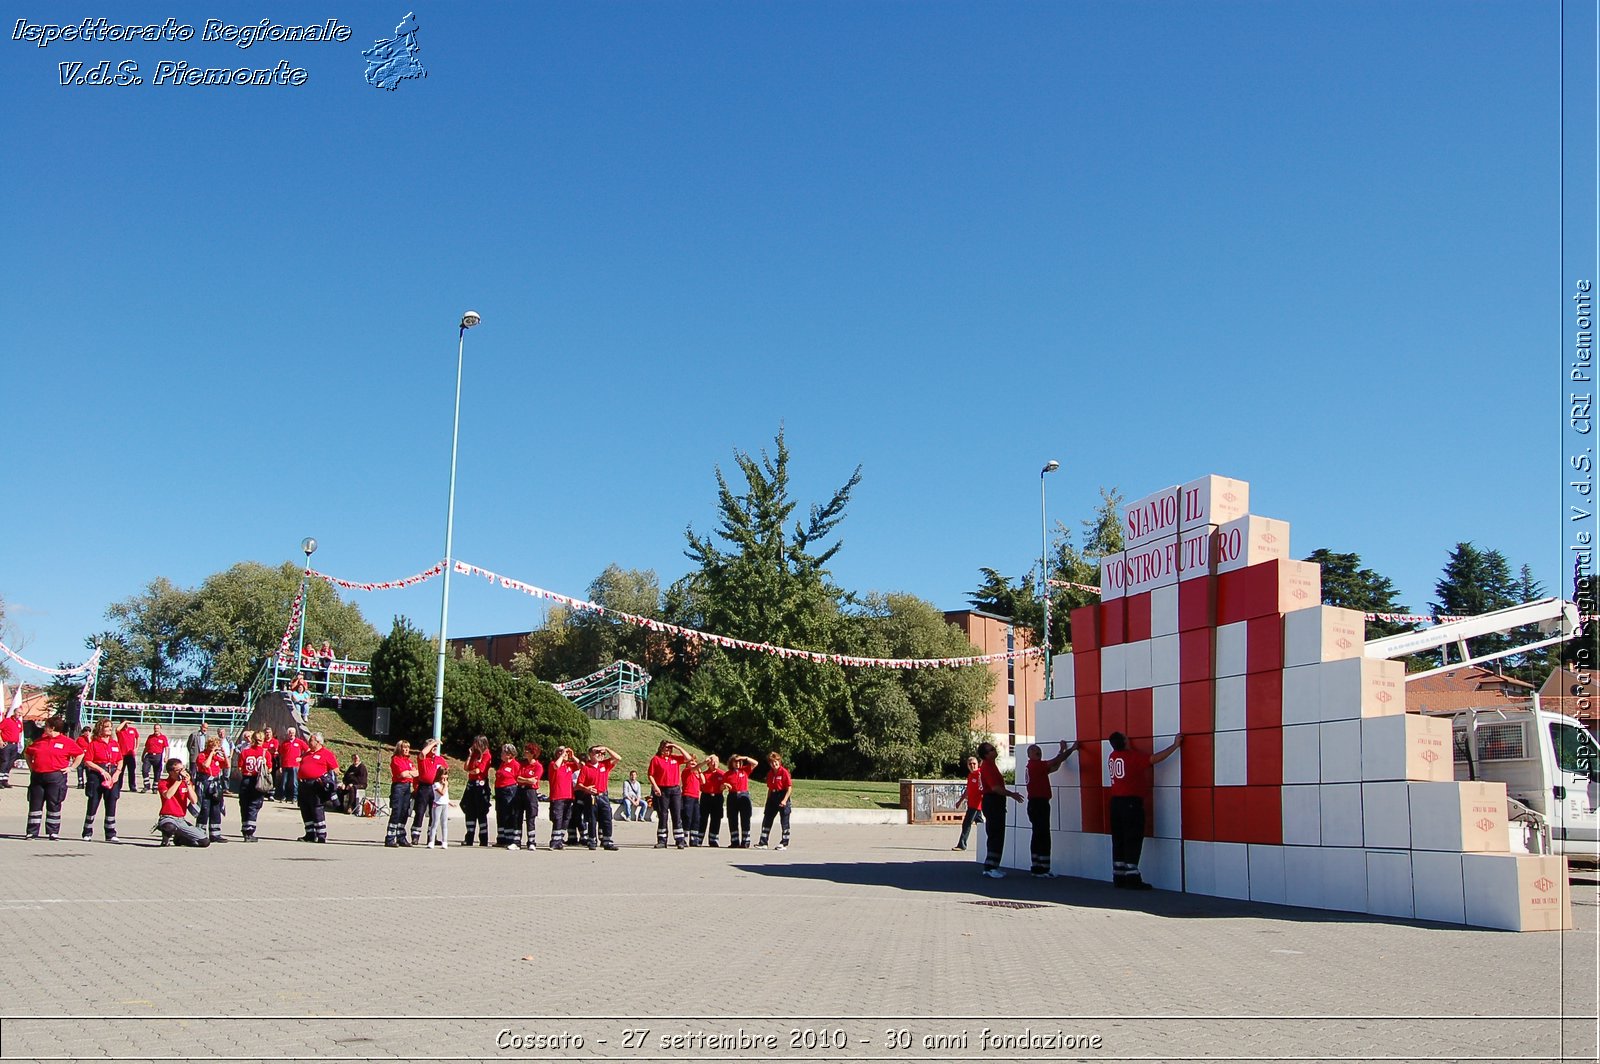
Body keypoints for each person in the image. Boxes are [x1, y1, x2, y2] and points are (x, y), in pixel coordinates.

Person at [1107, 731, 1183, 890]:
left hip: (1115, 803)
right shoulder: (1132, 757)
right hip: (1130, 803)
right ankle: (1132, 876)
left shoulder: (1113, 756)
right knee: (1133, 838)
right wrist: (1175, 746)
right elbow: (1154, 759)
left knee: (1119, 839)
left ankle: (1118, 876)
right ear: (1125, 742)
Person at [24, 716, 80, 839]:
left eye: (46, 725)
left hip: (56, 777)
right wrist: (31, 767)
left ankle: (52, 832)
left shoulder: (66, 741)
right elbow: (28, 753)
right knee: (35, 804)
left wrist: (71, 767)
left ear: (52, 728)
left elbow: (80, 754)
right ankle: (32, 832)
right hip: (38, 776)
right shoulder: (40, 741)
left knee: (54, 804)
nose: (44, 727)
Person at [977, 741, 1023, 879]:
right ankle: (990, 867)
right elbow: (995, 788)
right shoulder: (987, 767)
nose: (994, 750)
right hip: (992, 801)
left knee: (998, 833)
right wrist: (1012, 794)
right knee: (995, 833)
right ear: (985, 754)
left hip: (995, 802)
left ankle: (994, 865)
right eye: (991, 749)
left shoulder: (992, 765)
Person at [80, 719, 125, 842]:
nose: (110, 729)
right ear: (100, 728)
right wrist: (102, 771)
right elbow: (88, 761)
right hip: (97, 775)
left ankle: (110, 833)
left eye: (111, 727)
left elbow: (120, 759)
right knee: (93, 802)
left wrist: (118, 772)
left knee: (111, 802)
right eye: (106, 727)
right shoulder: (94, 744)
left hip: (113, 774)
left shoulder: (114, 744)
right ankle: (87, 831)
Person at [295, 732, 339, 843]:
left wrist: (327, 780)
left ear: (318, 742)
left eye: (311, 740)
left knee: (316, 810)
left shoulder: (326, 754)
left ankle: (321, 835)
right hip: (304, 785)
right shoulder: (307, 753)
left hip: (316, 786)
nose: (309, 742)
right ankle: (309, 834)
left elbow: (335, 770)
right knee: (305, 809)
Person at [647, 740, 691, 849]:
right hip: (662, 790)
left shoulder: (675, 758)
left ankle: (680, 840)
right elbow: (650, 775)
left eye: (670, 749)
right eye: (666, 748)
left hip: (675, 790)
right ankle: (662, 840)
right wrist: (655, 786)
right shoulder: (656, 760)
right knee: (663, 815)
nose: (668, 751)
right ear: (661, 748)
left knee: (676, 815)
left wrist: (677, 746)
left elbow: (688, 758)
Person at [576, 746, 621, 851]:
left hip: (603, 796)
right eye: (597, 752)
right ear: (591, 754)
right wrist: (586, 788)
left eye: (602, 753)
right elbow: (579, 784)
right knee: (592, 820)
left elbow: (618, 758)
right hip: (591, 797)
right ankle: (592, 840)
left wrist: (607, 748)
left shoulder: (604, 765)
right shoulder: (586, 768)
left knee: (607, 819)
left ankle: (607, 841)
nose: (600, 755)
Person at [155, 758, 207, 847]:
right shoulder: (163, 782)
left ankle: (180, 838)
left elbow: (194, 800)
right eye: (178, 770)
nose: (181, 772)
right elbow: (168, 795)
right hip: (168, 817)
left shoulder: (185, 783)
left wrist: (188, 784)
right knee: (169, 827)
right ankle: (165, 840)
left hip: (181, 819)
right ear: (171, 772)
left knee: (204, 842)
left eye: (182, 769)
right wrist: (178, 781)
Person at [193, 735, 230, 844]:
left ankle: (215, 834)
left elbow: (227, 765)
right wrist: (211, 753)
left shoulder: (217, 757)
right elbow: (205, 765)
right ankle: (200, 833)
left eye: (217, 745)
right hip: (204, 784)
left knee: (215, 809)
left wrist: (223, 752)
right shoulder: (202, 755)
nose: (215, 747)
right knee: (204, 809)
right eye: (213, 745)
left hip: (215, 785)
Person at [755, 751, 794, 850]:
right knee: (767, 819)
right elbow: (769, 788)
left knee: (784, 821)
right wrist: (768, 800)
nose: (774, 764)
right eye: (772, 762)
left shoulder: (784, 772)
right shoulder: (770, 774)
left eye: (776, 762)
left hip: (782, 795)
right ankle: (763, 842)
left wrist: (784, 800)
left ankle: (784, 843)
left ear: (779, 761)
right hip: (773, 796)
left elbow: (789, 787)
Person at [236, 730, 271, 841]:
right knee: (254, 805)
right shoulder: (266, 753)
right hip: (257, 780)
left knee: (244, 805)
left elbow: (240, 768)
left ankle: (244, 828)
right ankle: (249, 831)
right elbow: (269, 769)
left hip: (246, 779)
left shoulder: (245, 752)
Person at [410, 737, 444, 846]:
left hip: (435, 787)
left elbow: (445, 771)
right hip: (424, 788)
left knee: (434, 814)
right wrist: (433, 742)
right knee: (420, 812)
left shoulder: (439, 759)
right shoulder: (423, 758)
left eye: (436, 747)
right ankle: (415, 835)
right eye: (432, 746)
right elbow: (423, 753)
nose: (434, 748)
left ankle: (432, 837)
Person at [460, 736, 492, 845]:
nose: (474, 745)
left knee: (481, 811)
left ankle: (483, 838)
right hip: (471, 785)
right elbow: (466, 768)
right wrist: (469, 755)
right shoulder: (474, 754)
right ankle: (469, 837)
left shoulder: (486, 755)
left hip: (481, 786)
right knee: (469, 810)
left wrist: (471, 771)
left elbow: (479, 770)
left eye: (476, 743)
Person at [545, 747, 578, 850]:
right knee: (557, 818)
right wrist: (562, 755)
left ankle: (560, 839)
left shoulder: (569, 766)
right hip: (558, 796)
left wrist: (573, 756)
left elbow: (581, 765)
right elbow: (556, 766)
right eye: (561, 752)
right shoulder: (553, 764)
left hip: (569, 796)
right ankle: (554, 841)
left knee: (566, 819)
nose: (565, 754)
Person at [386, 740, 418, 847]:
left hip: (407, 787)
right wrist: (409, 773)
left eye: (408, 748)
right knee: (397, 811)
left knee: (405, 811)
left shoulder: (409, 761)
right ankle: (390, 837)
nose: (406, 750)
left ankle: (401, 836)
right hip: (398, 787)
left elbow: (417, 772)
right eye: (404, 747)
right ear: (399, 748)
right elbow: (402, 774)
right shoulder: (396, 759)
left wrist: (409, 773)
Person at [493, 744, 523, 849]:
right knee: (500, 813)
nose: (501, 754)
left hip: (509, 790)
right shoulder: (503, 764)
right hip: (499, 790)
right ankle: (501, 838)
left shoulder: (515, 764)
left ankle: (509, 839)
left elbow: (517, 778)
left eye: (503, 752)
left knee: (508, 814)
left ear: (509, 755)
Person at [952, 755, 985, 851]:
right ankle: (988, 842)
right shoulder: (970, 776)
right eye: (970, 764)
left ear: (977, 764)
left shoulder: (980, 774)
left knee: (966, 823)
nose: (972, 765)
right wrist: (960, 801)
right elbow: (968, 790)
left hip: (976, 804)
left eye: (974, 763)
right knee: (981, 824)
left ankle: (962, 845)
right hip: (971, 803)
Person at [724, 754, 757, 848]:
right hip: (732, 796)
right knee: (732, 819)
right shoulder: (728, 774)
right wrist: (725, 785)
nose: (737, 763)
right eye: (735, 761)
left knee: (745, 818)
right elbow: (722, 786)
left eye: (739, 762)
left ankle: (745, 841)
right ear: (732, 763)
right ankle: (734, 841)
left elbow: (755, 763)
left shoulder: (745, 770)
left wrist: (744, 758)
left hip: (743, 795)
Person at [516, 742, 544, 850]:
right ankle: (517, 841)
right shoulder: (522, 764)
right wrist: (526, 780)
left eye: (527, 750)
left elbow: (533, 781)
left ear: (533, 753)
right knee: (518, 815)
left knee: (530, 817)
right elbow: (517, 777)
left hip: (531, 792)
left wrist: (524, 780)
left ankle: (531, 841)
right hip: (520, 791)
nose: (525, 752)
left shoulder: (538, 766)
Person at [697, 755, 724, 846]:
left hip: (717, 797)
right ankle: (699, 838)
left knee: (716, 818)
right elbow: (701, 786)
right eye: (713, 762)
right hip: (706, 797)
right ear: (708, 764)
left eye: (717, 761)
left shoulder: (722, 774)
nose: (715, 764)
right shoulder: (704, 774)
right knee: (703, 818)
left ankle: (713, 839)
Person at [278, 726, 307, 803]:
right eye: (290, 733)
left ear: (295, 733)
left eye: (293, 733)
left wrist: (301, 758)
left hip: (295, 765)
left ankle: (295, 797)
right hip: (285, 765)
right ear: (288, 734)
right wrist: (280, 766)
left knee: (294, 782)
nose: (291, 734)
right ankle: (283, 796)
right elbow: (280, 754)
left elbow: (307, 750)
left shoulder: (299, 742)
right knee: (284, 782)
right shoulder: (284, 743)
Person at [681, 757, 704, 847]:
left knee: (696, 818)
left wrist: (700, 771)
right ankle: (684, 838)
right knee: (687, 817)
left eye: (695, 762)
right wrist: (704, 762)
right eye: (691, 762)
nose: (693, 764)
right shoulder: (686, 771)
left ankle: (694, 839)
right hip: (687, 796)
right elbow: (693, 769)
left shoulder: (696, 774)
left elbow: (703, 781)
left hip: (695, 797)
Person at [427, 765, 450, 849]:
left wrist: (449, 802)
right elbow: (442, 793)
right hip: (437, 805)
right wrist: (445, 785)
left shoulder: (445, 784)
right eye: (443, 774)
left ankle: (444, 841)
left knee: (444, 824)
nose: (445, 777)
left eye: (446, 775)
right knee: (434, 823)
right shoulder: (436, 784)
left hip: (445, 804)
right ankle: (431, 841)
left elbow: (446, 796)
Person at [0, 698, 22, 788]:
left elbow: (20, 732)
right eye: (18, 713)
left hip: (14, 745)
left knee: (10, 763)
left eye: (21, 713)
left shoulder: (19, 723)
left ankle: (5, 780)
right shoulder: (7, 721)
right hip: (6, 744)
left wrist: (19, 742)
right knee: (4, 761)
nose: (19, 715)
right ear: (14, 712)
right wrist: (1, 741)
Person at [141, 724, 169, 794]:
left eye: (157, 728)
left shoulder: (163, 737)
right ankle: (146, 785)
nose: (156, 730)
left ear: (160, 729)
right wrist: (143, 755)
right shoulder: (150, 737)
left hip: (158, 756)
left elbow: (166, 747)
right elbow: (146, 747)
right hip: (149, 755)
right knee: (144, 770)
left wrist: (166, 756)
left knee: (157, 773)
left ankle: (155, 787)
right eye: (155, 728)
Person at [115, 721, 139, 792]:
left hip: (130, 754)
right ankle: (118, 786)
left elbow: (137, 737)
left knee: (131, 771)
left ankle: (132, 786)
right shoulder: (120, 731)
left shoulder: (133, 730)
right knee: (120, 771)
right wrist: (124, 722)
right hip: (122, 754)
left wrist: (136, 747)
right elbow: (117, 729)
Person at [261, 726, 280, 801]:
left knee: (272, 778)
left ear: (272, 733)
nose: (268, 734)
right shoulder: (262, 741)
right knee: (263, 778)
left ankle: (271, 794)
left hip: (273, 762)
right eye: (266, 733)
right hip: (263, 763)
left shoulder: (275, 741)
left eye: (269, 732)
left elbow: (274, 750)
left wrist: (266, 750)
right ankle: (263, 793)